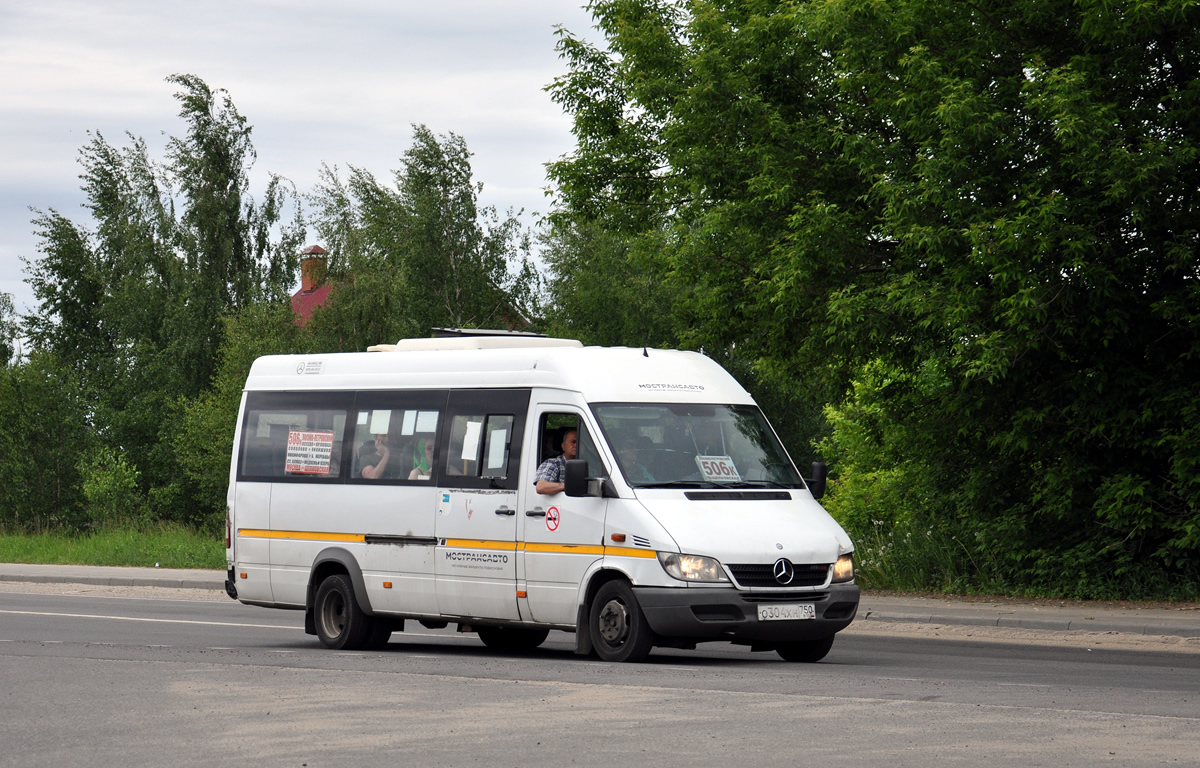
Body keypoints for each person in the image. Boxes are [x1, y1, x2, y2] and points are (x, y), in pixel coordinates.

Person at [534, 428, 577, 495]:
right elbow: (541, 487)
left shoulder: (592, 464)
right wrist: (568, 485)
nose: (576, 445)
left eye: (580, 442)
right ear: (563, 446)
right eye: (573, 442)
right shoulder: (553, 463)